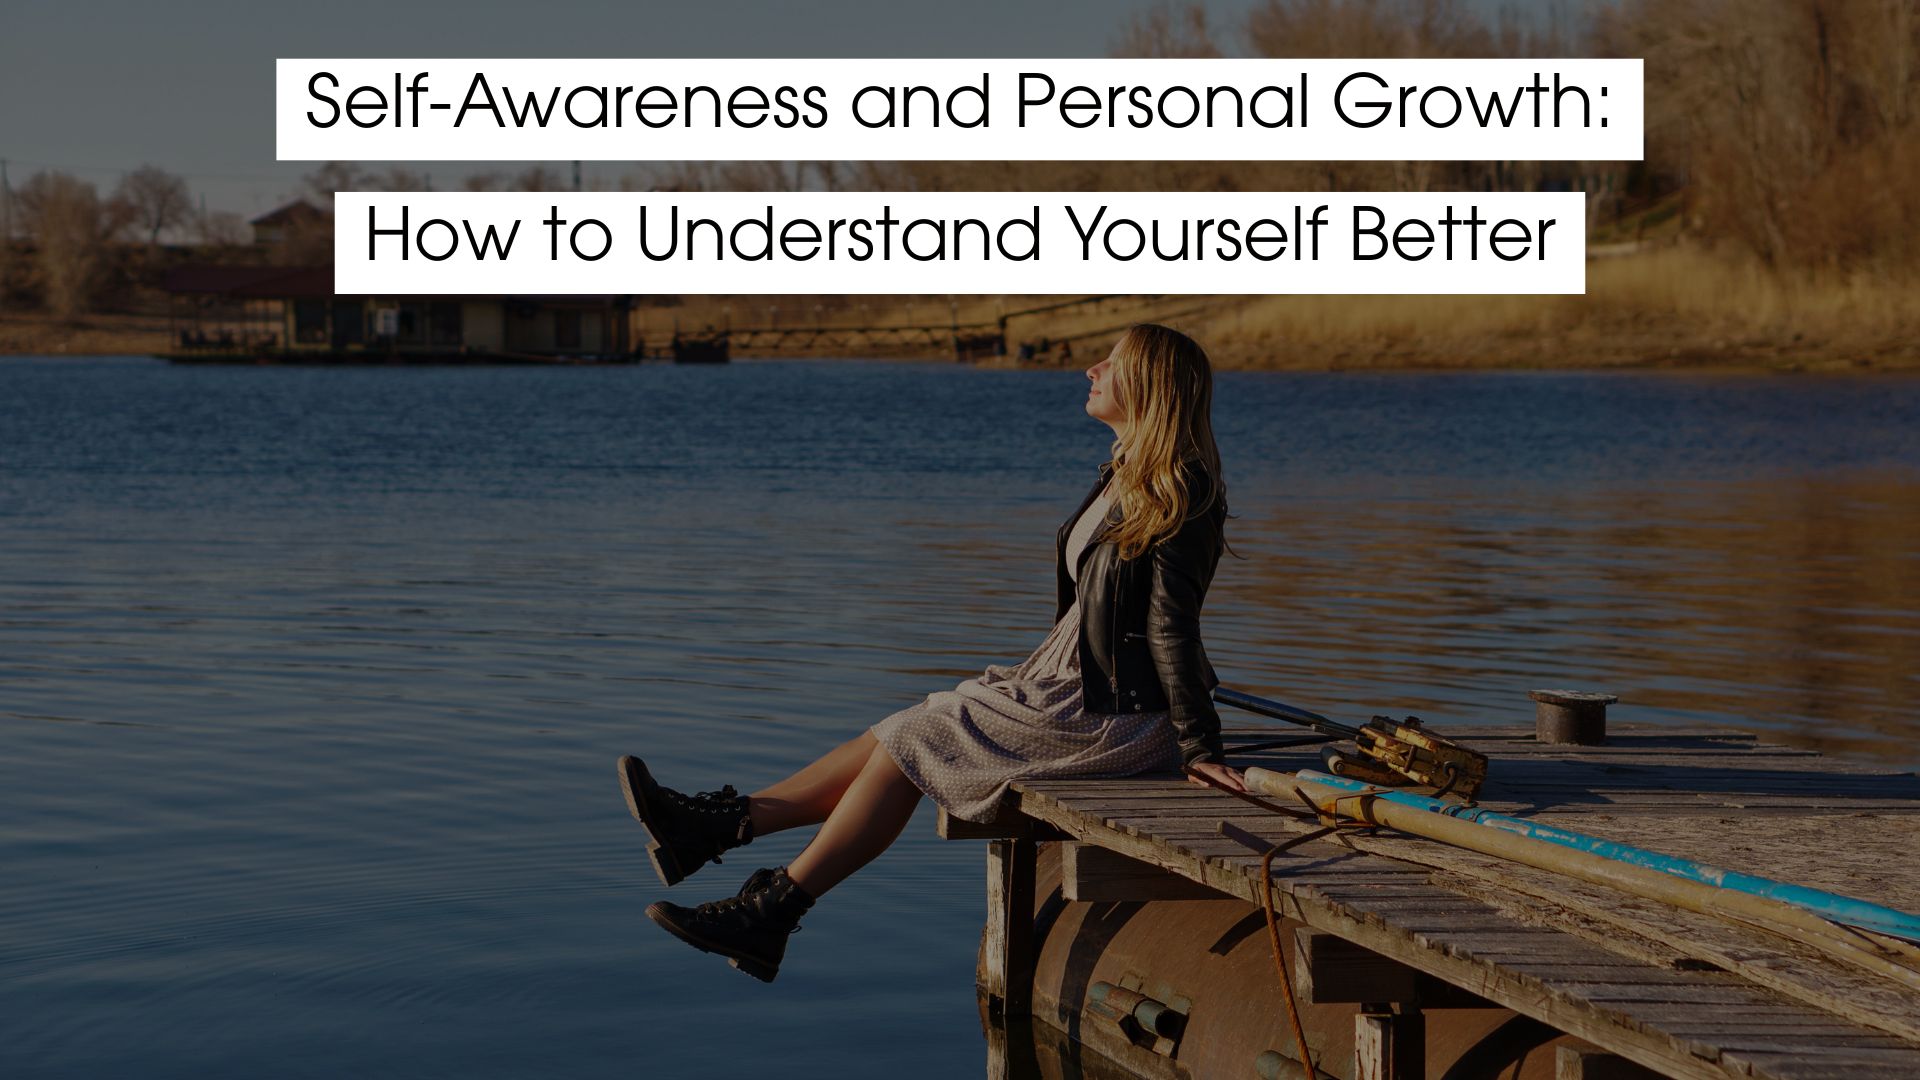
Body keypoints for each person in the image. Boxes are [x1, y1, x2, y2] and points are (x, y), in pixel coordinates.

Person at [616, 322, 1245, 982]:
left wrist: (1199, 748)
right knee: (919, 719)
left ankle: (764, 898)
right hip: (1067, 684)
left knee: (918, 736)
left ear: (1149, 385)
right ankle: (726, 830)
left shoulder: (1182, 492)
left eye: (1110, 363)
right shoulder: (1123, 477)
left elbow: (1172, 630)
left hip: (1115, 716)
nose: (1090, 369)